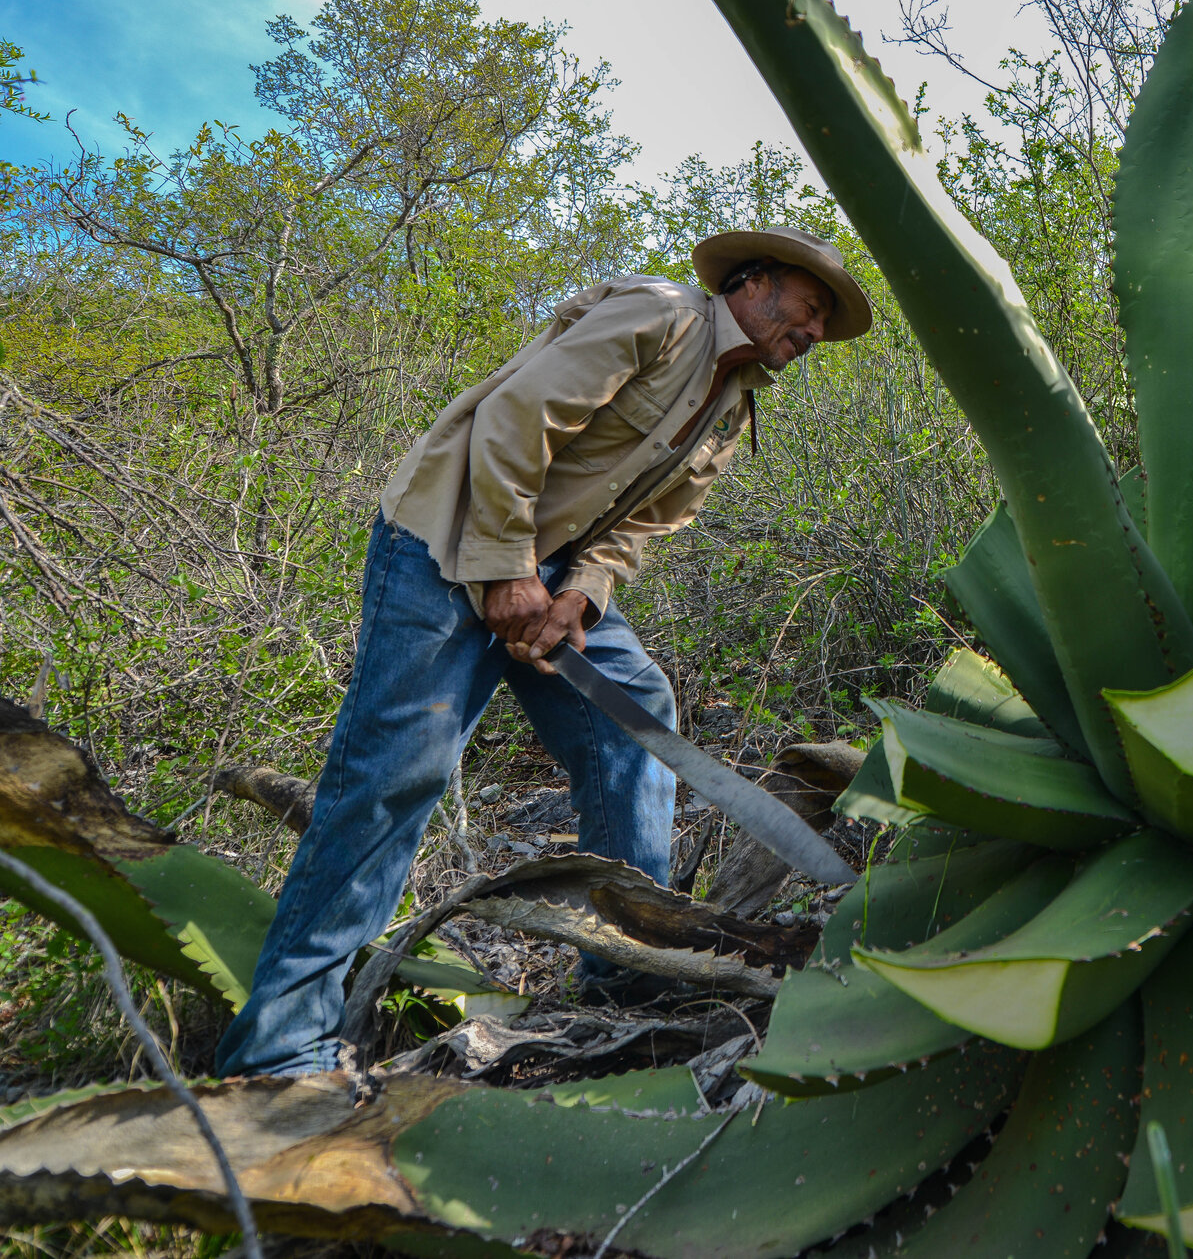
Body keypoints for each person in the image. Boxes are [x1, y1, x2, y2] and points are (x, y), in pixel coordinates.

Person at [214, 226, 873, 1077]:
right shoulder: (661, 315)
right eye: (811, 308)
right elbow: (517, 421)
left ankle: (622, 978)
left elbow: (645, 521)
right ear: (755, 283)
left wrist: (579, 594)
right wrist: (506, 568)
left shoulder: (735, 407)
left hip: (546, 575)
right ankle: (278, 1051)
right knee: (395, 776)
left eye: (823, 322)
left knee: (635, 721)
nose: (814, 332)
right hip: (446, 544)